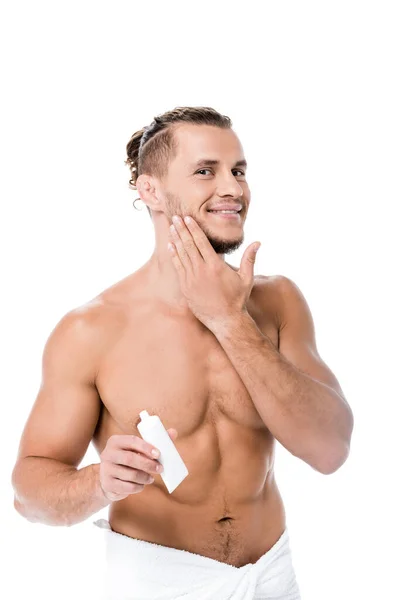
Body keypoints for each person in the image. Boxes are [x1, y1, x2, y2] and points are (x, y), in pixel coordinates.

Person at [12, 106, 354, 599]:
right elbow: (29, 495)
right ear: (149, 190)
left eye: (238, 171)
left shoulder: (277, 302)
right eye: (205, 171)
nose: (233, 188)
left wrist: (230, 322)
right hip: (158, 582)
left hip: (272, 576)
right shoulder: (92, 330)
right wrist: (98, 484)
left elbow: (330, 450)